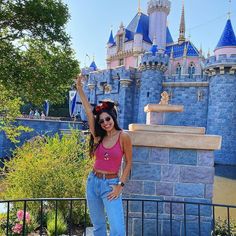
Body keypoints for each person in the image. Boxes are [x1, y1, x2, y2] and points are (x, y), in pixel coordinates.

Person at [76, 75, 132, 236]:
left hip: (111, 184)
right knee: (98, 227)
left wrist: (120, 186)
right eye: (101, 121)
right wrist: (79, 89)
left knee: (117, 230)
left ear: (113, 117)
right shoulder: (99, 137)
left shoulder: (124, 137)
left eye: (107, 119)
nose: (105, 123)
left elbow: (128, 162)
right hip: (93, 182)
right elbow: (88, 111)